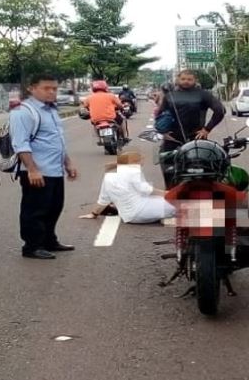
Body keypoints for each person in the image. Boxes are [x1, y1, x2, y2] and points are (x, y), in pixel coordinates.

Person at [11, 74, 79, 260]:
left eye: (54, 88)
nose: (51, 92)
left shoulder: (51, 110)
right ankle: (32, 246)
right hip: (37, 171)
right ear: (32, 89)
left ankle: (49, 240)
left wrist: (68, 163)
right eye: (46, 88)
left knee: (54, 207)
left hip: (54, 170)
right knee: (35, 210)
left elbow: (57, 140)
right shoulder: (22, 112)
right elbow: (20, 144)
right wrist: (32, 169)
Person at [157, 70, 226, 188]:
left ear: (195, 80)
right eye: (183, 79)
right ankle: (170, 193)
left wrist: (206, 129)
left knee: (205, 171)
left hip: (196, 139)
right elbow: (160, 114)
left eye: (189, 79)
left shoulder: (203, 94)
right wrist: (163, 131)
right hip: (172, 139)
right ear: (178, 80)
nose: (186, 82)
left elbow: (220, 110)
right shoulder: (170, 96)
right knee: (169, 169)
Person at [78, 152, 175, 223]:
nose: (143, 163)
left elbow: (103, 200)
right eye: (142, 160)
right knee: (181, 204)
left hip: (128, 217)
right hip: (141, 211)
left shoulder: (108, 177)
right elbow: (146, 190)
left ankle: (163, 216)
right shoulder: (134, 171)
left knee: (160, 200)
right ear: (135, 161)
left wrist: (93, 214)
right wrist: (167, 193)